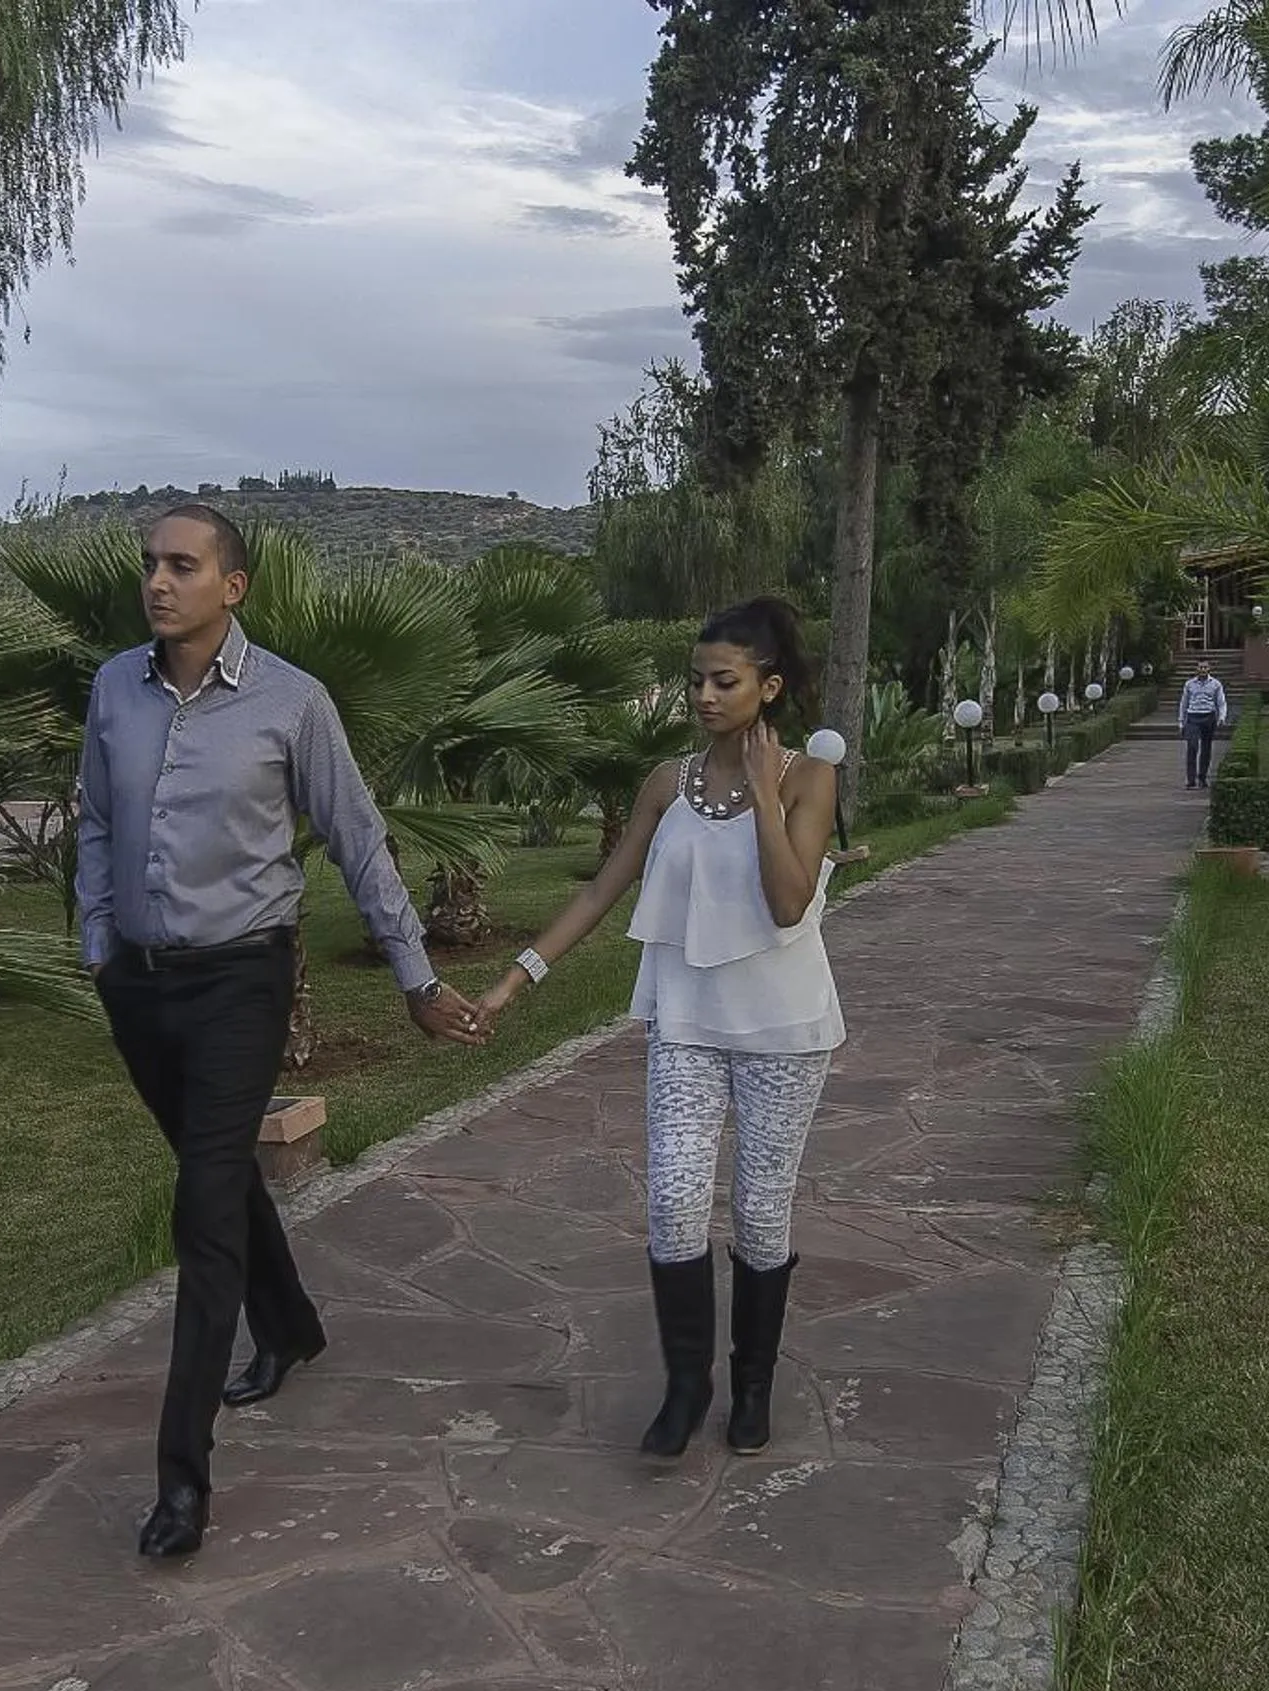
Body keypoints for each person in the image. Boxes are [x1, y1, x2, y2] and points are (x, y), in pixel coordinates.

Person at [76, 503, 489, 1559]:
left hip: (241, 981)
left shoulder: (290, 701)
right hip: (139, 985)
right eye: (149, 564)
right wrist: (97, 944)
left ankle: (181, 1480)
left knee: (201, 1206)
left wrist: (413, 976)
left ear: (232, 587)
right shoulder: (114, 688)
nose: (157, 582)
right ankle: (292, 1326)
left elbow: (356, 837)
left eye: (181, 565)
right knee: (216, 1173)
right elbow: (96, 821)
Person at [477, 596, 843, 1458]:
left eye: (724, 681)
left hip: (782, 1029)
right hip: (684, 1020)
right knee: (674, 1201)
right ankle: (686, 1387)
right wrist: (512, 981)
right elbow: (600, 893)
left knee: (760, 1213)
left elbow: (788, 903)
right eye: (695, 681)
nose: (704, 696)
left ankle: (751, 1388)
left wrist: (762, 796)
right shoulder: (664, 784)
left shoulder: (807, 779)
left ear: (768, 687)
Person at [1179, 659, 1229, 788]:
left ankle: (1202, 777)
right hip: (1193, 716)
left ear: (1209, 669)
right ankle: (1191, 779)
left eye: (1205, 667)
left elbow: (1221, 702)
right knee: (1192, 746)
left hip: (1208, 716)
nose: (1202, 670)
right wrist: (1181, 721)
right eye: (1200, 667)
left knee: (1206, 748)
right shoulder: (1189, 684)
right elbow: (1184, 703)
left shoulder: (1216, 684)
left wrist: (1222, 717)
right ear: (1196, 669)